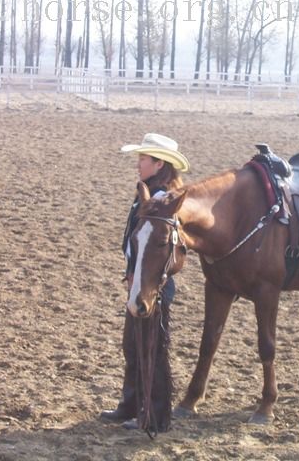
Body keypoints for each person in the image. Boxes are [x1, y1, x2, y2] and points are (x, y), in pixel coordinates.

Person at [101, 133, 190, 432]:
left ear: (158, 163)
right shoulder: (149, 193)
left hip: (153, 285)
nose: (138, 164)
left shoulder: (163, 199)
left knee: (152, 347)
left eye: (143, 159)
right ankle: (130, 404)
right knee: (133, 344)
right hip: (140, 280)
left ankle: (154, 414)